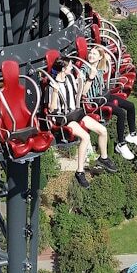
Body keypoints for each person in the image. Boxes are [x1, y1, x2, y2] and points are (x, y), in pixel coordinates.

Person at [48, 57, 116, 188]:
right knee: (86, 137)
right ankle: (79, 172)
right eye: (70, 66)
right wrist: (56, 91)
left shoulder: (70, 79)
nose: (72, 68)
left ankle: (104, 157)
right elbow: (52, 108)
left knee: (103, 130)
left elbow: (81, 93)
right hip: (65, 117)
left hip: (76, 112)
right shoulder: (53, 85)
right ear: (63, 68)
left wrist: (85, 79)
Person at [81, 46, 137, 161]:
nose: (91, 56)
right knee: (120, 113)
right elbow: (83, 92)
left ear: (100, 57)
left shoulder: (100, 67)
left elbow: (107, 60)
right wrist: (90, 78)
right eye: (90, 53)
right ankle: (120, 143)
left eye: (94, 54)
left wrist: (104, 55)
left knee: (131, 106)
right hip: (96, 100)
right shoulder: (85, 69)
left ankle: (132, 134)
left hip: (104, 95)